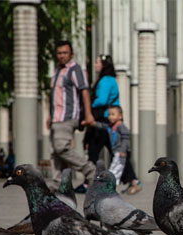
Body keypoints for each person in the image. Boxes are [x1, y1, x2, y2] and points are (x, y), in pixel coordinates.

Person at [48, 40, 96, 189]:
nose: (62, 56)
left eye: (65, 53)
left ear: (71, 54)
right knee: (55, 152)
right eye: (59, 53)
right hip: (56, 117)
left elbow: (84, 90)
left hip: (68, 116)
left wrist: (88, 114)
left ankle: (90, 170)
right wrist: (50, 116)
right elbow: (55, 95)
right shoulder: (57, 71)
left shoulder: (75, 69)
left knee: (61, 148)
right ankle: (57, 184)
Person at [94, 105, 142, 194]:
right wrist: (93, 123)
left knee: (116, 168)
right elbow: (102, 126)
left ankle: (111, 186)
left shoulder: (121, 126)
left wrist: (122, 150)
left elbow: (125, 139)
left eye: (113, 114)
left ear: (120, 116)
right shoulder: (111, 126)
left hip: (122, 152)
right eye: (109, 114)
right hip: (116, 152)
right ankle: (134, 183)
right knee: (125, 169)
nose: (110, 116)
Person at [84, 54, 120, 164]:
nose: (95, 65)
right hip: (106, 119)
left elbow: (102, 100)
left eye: (97, 62)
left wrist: (88, 105)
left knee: (94, 150)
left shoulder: (106, 80)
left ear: (103, 65)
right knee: (115, 151)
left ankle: (88, 177)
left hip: (104, 118)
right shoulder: (110, 79)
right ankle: (132, 178)